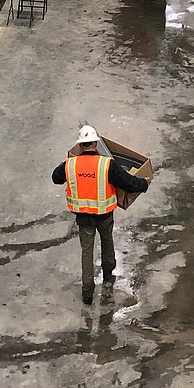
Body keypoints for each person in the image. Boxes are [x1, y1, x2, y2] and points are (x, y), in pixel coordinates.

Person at [52, 125, 149, 305]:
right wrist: (143, 184)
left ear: (80, 146)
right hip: (104, 215)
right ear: (96, 143)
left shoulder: (69, 164)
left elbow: (55, 178)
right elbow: (128, 183)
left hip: (83, 218)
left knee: (86, 251)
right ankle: (107, 275)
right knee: (107, 241)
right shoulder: (107, 164)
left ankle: (87, 293)